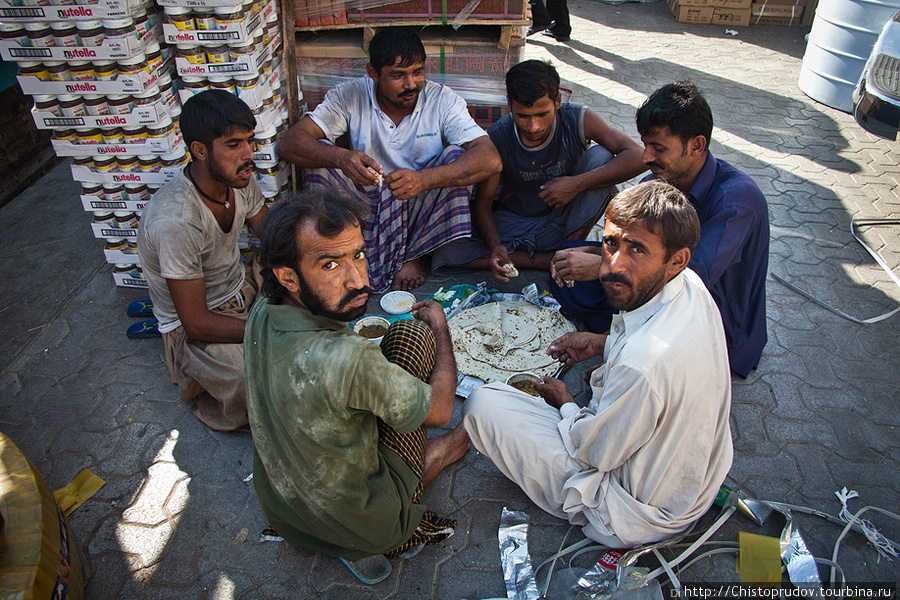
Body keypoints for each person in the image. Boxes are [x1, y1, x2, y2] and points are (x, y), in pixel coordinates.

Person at [463, 181, 733, 548]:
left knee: (485, 403)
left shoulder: (641, 366)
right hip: (697, 480)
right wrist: (604, 344)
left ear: (677, 259)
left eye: (637, 249)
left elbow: (595, 452)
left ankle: (589, 510)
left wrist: (566, 403)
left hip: (638, 513)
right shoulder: (691, 287)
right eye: (611, 243)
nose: (613, 266)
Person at [244, 190, 470, 585]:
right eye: (330, 264)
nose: (358, 279)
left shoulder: (264, 310)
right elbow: (441, 409)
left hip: (285, 510)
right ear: (288, 277)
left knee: (388, 363)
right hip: (369, 525)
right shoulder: (346, 358)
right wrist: (441, 328)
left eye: (358, 255)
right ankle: (446, 455)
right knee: (414, 337)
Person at [550, 81, 769, 377]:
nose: (645, 157)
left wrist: (604, 265)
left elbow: (692, 281)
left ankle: (618, 345)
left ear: (697, 145)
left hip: (713, 318)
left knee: (601, 275)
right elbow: (633, 241)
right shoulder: (659, 180)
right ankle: (620, 338)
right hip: (656, 283)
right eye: (646, 144)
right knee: (567, 259)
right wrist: (593, 254)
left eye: (658, 148)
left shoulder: (737, 201)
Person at [277, 27, 502, 292]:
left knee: (457, 157)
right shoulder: (349, 95)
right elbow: (290, 143)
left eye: (417, 72)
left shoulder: (442, 99)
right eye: (398, 75)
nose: (411, 84)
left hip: (420, 201)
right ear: (373, 73)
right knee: (322, 163)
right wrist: (342, 158)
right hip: (366, 198)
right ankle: (340, 255)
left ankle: (414, 256)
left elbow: (490, 159)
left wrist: (423, 179)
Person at [432, 60, 644, 280]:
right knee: (447, 249)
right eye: (523, 116)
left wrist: (575, 184)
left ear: (558, 100)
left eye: (543, 114)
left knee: (601, 157)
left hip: (568, 218)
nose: (534, 127)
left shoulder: (578, 119)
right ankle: (552, 259)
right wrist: (496, 246)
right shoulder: (498, 138)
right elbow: (483, 204)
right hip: (520, 223)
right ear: (510, 104)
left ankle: (572, 247)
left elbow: (637, 156)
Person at [137, 89, 268, 431]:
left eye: (249, 142)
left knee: (312, 285)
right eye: (233, 144)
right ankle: (202, 380)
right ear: (199, 150)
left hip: (241, 286)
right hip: (199, 326)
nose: (248, 154)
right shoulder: (176, 221)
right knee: (249, 378)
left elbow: (272, 234)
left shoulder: (239, 180)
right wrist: (268, 330)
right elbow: (195, 321)